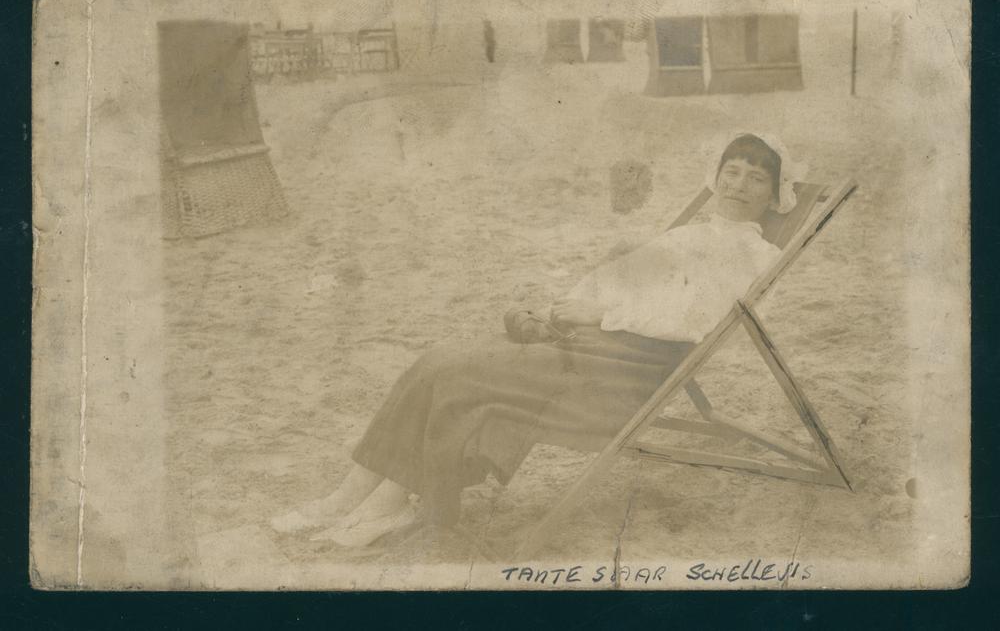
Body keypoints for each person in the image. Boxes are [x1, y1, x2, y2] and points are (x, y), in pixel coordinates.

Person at [270, 133, 799, 547]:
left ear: (774, 195)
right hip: (594, 344)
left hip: (628, 370)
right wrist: (565, 307)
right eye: (732, 171)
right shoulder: (689, 235)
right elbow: (616, 280)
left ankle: (386, 503)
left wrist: (601, 313)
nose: (739, 185)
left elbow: (692, 321)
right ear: (715, 175)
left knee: (454, 371)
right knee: (440, 361)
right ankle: (353, 496)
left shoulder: (753, 255)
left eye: (756, 178)